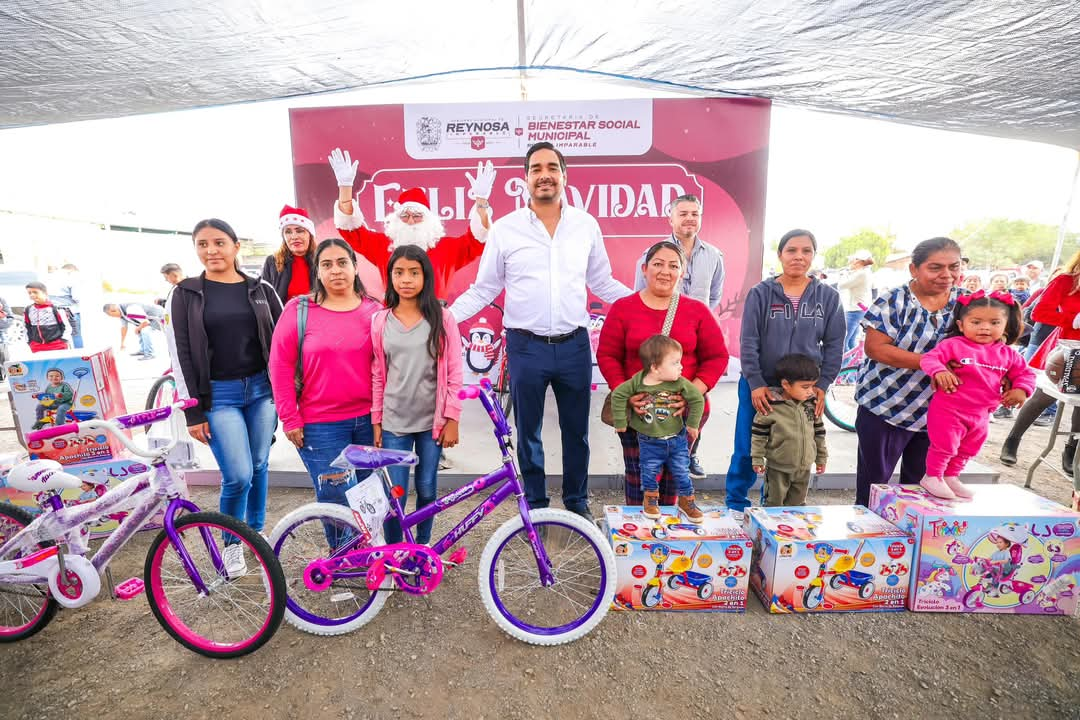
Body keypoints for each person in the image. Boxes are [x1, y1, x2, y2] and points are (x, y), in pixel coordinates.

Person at [451, 142, 631, 520]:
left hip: (574, 346)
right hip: (525, 347)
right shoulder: (505, 229)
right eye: (536, 168)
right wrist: (447, 318)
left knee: (576, 431)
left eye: (552, 167)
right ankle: (534, 501)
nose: (544, 174)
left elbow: (603, 281)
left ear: (564, 176)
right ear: (525, 179)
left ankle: (577, 501)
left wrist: (644, 303)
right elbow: (484, 288)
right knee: (528, 432)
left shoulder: (585, 225)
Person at [166, 218, 283, 575]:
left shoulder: (260, 288)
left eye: (218, 243)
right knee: (238, 475)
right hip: (219, 396)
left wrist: (289, 393)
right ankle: (233, 543)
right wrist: (192, 412)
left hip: (262, 392)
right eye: (202, 245)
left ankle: (256, 535)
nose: (211, 251)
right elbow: (179, 354)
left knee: (260, 465)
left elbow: (282, 341)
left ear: (235, 247)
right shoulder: (185, 293)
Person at [597, 241, 729, 508]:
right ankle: (637, 537)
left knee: (674, 476)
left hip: (681, 412)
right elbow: (608, 355)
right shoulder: (624, 308)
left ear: (682, 273)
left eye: (673, 266)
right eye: (658, 264)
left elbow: (717, 357)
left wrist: (693, 392)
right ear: (644, 269)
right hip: (638, 411)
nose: (665, 271)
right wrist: (626, 394)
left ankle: (666, 540)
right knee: (640, 475)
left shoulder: (697, 311)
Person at [725, 229, 844, 513]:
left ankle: (778, 511)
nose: (799, 257)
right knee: (747, 448)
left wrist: (822, 384)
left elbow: (835, 344)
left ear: (814, 256)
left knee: (789, 449)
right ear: (780, 255)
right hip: (761, 385)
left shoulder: (828, 297)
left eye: (806, 251)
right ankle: (735, 507)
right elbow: (749, 341)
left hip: (802, 390)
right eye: (791, 250)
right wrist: (755, 383)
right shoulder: (761, 293)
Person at [269, 238, 381, 532]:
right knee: (336, 498)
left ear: (355, 268)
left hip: (370, 421)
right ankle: (342, 562)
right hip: (320, 425)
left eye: (342, 263)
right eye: (326, 264)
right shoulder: (299, 309)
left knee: (371, 494)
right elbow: (279, 366)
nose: (336, 271)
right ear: (317, 271)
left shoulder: (374, 310)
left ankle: (373, 557)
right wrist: (289, 417)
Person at [853, 237, 964, 506]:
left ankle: (912, 542)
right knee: (873, 486)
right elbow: (876, 348)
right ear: (914, 269)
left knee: (921, 490)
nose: (946, 275)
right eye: (935, 267)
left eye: (954, 267)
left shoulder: (966, 304)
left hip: (938, 415)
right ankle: (866, 541)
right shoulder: (894, 301)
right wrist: (930, 364)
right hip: (885, 407)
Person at [373, 246, 463, 544]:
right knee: (394, 495)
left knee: (426, 487)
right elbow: (377, 374)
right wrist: (377, 420)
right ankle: (395, 552)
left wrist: (452, 417)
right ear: (390, 277)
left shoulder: (443, 318)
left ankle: (423, 545)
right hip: (394, 423)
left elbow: (454, 373)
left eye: (414, 272)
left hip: (431, 423)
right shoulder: (380, 321)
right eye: (398, 272)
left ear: (425, 276)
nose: (406, 280)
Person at [631, 193, 724, 480]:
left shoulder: (714, 256)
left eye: (695, 213)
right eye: (683, 213)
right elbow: (639, 296)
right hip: (661, 349)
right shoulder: (651, 255)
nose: (689, 219)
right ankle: (651, 458)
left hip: (693, 346)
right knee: (659, 406)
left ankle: (689, 452)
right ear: (670, 218)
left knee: (698, 404)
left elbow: (715, 295)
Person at [329, 148, 494, 299]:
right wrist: (345, 188)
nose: (410, 220)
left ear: (429, 219)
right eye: (404, 215)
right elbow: (351, 230)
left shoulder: (447, 248)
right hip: (393, 323)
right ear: (395, 219)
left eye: (417, 215)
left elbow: (478, 238)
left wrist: (481, 200)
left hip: (434, 322)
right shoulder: (383, 246)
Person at [918, 291, 1035, 499]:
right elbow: (929, 359)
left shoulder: (1008, 353)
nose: (985, 327)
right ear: (961, 325)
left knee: (969, 447)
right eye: (976, 321)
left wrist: (1021, 389)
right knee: (945, 444)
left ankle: (951, 476)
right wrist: (940, 370)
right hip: (949, 409)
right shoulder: (954, 345)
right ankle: (933, 476)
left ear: (1005, 326)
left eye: (994, 322)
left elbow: (1025, 373)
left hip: (982, 412)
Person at [610, 334, 705, 522]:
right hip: (648, 441)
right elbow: (618, 395)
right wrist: (620, 422)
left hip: (676, 441)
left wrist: (693, 425)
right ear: (655, 367)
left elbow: (697, 398)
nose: (681, 367)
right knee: (649, 471)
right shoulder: (638, 381)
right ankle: (650, 501)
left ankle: (687, 501)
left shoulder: (680, 382)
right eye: (675, 362)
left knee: (681, 471)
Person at [1001, 249, 1080, 473]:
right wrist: (1072, 319)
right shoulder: (1066, 280)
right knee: (1042, 397)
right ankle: (1012, 440)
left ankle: (1072, 451)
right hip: (1066, 348)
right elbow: (1039, 313)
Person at [750, 353, 828, 507]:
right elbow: (758, 436)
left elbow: (819, 433)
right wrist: (757, 458)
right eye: (805, 387)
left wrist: (821, 457)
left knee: (798, 506)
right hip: (777, 470)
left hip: (804, 469)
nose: (811, 391)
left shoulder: (812, 405)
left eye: (813, 385)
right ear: (785, 384)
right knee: (773, 505)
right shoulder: (770, 407)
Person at [260, 205, 317, 303]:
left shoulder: (321, 259)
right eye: (288, 232)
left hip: (318, 317)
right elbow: (264, 296)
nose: (294, 237)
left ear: (310, 234)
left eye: (300, 231)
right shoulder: (272, 261)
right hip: (283, 317)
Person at [837, 250, 875, 352]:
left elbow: (841, 285)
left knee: (842, 341)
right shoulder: (864, 272)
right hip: (860, 308)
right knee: (851, 341)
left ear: (858, 261)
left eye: (852, 260)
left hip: (855, 310)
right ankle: (853, 365)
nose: (850, 262)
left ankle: (845, 366)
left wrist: (844, 273)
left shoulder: (862, 274)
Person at [24, 281, 70, 353]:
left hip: (57, 346)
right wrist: (30, 342)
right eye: (29, 293)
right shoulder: (28, 309)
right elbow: (27, 327)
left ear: (45, 293)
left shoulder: (56, 308)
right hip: (37, 347)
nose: (32, 295)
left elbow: (67, 327)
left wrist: (63, 341)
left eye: (35, 292)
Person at [49, 264, 83, 349]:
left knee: (58, 336)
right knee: (76, 335)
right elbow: (76, 297)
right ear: (71, 271)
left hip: (53, 311)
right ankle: (80, 356)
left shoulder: (50, 277)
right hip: (70, 311)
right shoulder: (71, 278)